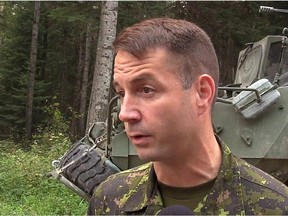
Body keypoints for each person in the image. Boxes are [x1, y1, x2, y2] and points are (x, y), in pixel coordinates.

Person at [88, 18, 288, 215]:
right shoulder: (108, 201)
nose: (125, 113)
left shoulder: (276, 207)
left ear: (202, 93)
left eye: (146, 90)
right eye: (122, 93)